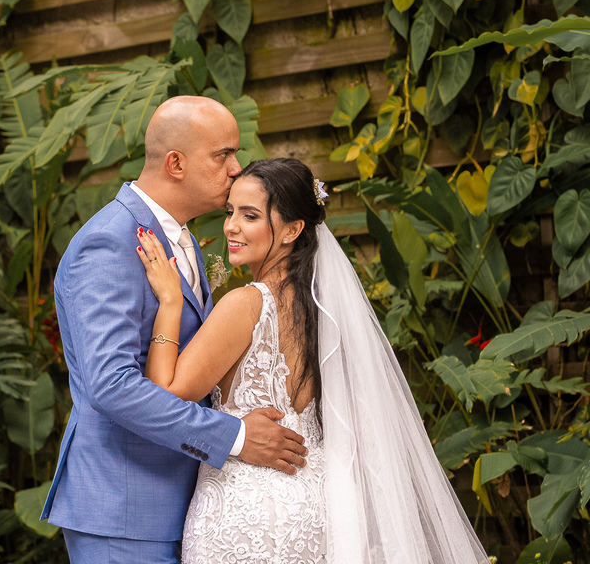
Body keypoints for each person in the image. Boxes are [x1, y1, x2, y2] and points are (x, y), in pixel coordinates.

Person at [138, 157, 490, 563]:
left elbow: (166, 394)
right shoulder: (326, 313)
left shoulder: (246, 304)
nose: (231, 226)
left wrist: (169, 302)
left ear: (293, 229)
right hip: (320, 507)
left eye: (249, 215)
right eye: (230, 211)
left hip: (246, 513)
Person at [40, 96, 308, 564]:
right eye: (223, 155)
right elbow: (112, 386)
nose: (236, 168)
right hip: (125, 514)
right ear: (176, 163)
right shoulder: (109, 243)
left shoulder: (181, 238)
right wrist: (236, 437)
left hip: (189, 507)